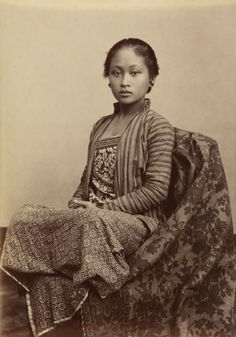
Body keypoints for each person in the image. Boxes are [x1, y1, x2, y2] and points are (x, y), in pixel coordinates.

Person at [1, 38, 175, 336]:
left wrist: (102, 209)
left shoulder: (157, 126)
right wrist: (76, 205)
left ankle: (75, 260)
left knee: (88, 221)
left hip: (133, 221)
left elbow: (157, 190)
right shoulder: (101, 125)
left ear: (152, 79)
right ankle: (65, 262)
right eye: (116, 73)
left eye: (135, 73)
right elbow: (87, 180)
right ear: (108, 79)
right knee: (24, 216)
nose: (124, 81)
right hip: (90, 217)